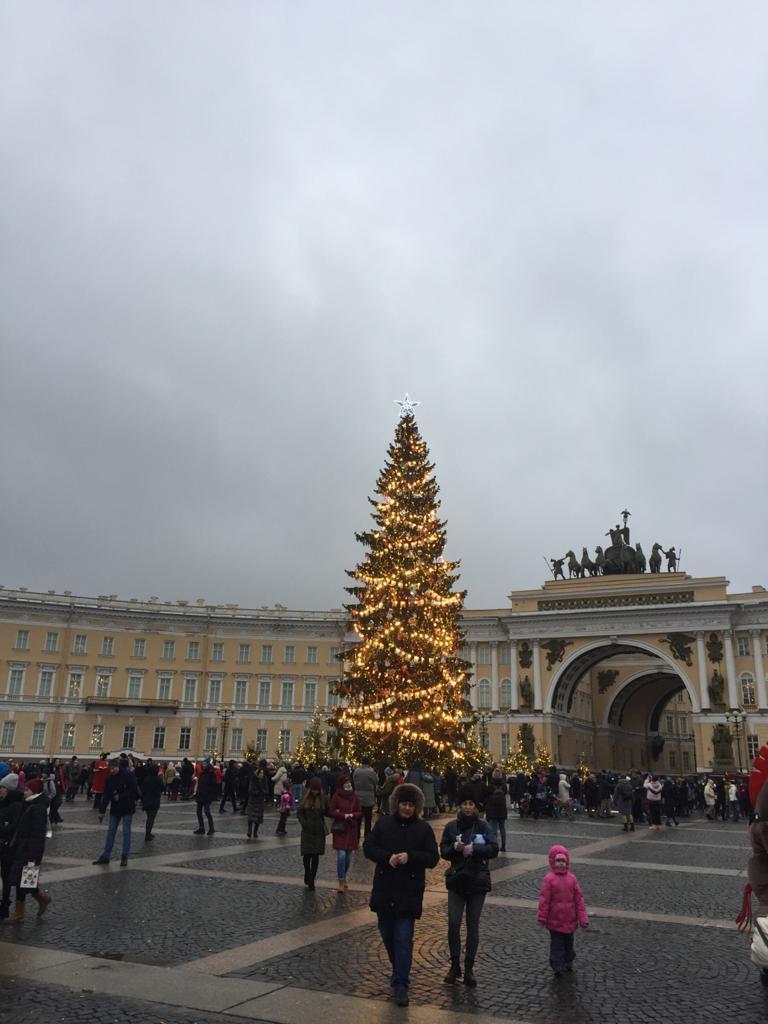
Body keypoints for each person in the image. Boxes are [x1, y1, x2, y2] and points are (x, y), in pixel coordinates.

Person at [363, 783, 439, 1007]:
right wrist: (387, 857)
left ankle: (401, 985)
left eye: (410, 805)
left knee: (403, 939)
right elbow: (368, 846)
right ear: (397, 804)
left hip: (409, 892)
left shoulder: (423, 829)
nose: (407, 808)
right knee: (388, 936)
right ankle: (399, 971)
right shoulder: (384, 824)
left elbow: (433, 858)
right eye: (404, 804)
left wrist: (411, 857)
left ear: (416, 807)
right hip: (385, 889)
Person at [439, 788, 498, 986]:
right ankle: (454, 964)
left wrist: (476, 849)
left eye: (470, 804)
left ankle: (469, 968)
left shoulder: (484, 826)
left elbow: (493, 849)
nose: (467, 807)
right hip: (457, 880)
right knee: (454, 922)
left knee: (473, 925)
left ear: (475, 806)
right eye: (464, 804)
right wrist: (453, 849)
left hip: (477, 880)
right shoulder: (451, 826)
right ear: (460, 806)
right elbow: (443, 851)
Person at [1, 778, 51, 923]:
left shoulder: (38, 808)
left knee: (23, 880)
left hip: (29, 851)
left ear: (34, 791)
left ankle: (19, 912)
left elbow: (37, 834)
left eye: (27, 789)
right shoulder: (29, 804)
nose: (24, 791)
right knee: (20, 880)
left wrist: (33, 856)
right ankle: (41, 899)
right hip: (21, 848)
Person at [537, 844, 589, 977]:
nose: (560, 864)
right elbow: (544, 901)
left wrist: (583, 918)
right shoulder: (549, 879)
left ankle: (568, 961)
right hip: (555, 921)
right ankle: (557, 966)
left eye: (563, 861)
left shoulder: (572, 879)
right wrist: (542, 917)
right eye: (558, 861)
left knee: (568, 945)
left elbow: (579, 900)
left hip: (570, 920)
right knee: (557, 946)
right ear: (552, 862)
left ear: (567, 862)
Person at [93, 758, 139, 866]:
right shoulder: (109, 778)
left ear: (118, 767)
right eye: (110, 769)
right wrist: (102, 811)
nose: (111, 771)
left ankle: (124, 856)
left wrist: (121, 796)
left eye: (113, 769)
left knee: (126, 833)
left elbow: (133, 790)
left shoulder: (129, 775)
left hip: (127, 808)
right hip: (115, 809)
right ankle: (106, 856)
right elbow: (106, 795)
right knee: (111, 832)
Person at [329, 773, 362, 890]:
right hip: (341, 829)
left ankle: (344, 876)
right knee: (342, 855)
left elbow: (359, 812)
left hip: (351, 829)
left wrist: (352, 815)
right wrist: (343, 815)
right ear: (341, 785)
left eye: (349, 782)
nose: (348, 784)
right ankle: (341, 880)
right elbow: (331, 811)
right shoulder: (336, 796)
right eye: (346, 783)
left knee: (348, 857)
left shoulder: (355, 796)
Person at [297, 777, 329, 889]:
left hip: (318, 831)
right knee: (306, 856)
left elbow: (328, 812)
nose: (315, 792)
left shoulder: (323, 798)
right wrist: (304, 823)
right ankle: (307, 872)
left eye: (317, 789)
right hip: (307, 831)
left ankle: (312, 880)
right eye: (313, 789)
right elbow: (299, 812)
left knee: (315, 856)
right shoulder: (305, 798)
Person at [0, 773, 24, 919]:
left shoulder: (16, 806)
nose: (0, 790)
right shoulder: (3, 801)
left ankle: (5, 908)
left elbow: (14, 827)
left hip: (9, 847)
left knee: (8, 877)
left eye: (2, 787)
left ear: (8, 789)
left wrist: (2, 827)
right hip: (2, 844)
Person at [353, 758, 379, 837]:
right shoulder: (371, 772)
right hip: (368, 798)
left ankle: (356, 836)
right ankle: (367, 836)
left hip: (357, 796)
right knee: (368, 819)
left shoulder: (356, 771)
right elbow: (376, 781)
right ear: (369, 763)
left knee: (358, 819)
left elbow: (353, 780)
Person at [139, 758, 164, 842]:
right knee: (151, 818)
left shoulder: (146, 779)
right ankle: (147, 834)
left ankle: (148, 833)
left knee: (149, 817)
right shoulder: (158, 779)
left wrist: (142, 801)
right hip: (154, 800)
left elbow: (142, 790)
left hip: (146, 800)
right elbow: (162, 788)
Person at [484, 772, 508, 852]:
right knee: (502, 828)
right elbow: (505, 793)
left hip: (492, 809)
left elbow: (486, 797)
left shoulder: (490, 786)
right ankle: (503, 845)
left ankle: (495, 845)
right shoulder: (504, 785)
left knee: (493, 829)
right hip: (502, 809)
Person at [193, 759, 217, 835]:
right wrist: (197, 793)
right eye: (202, 765)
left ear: (208, 765)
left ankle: (211, 828)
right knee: (198, 812)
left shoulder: (211, 774)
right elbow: (200, 784)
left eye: (205, 765)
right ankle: (201, 828)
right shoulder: (202, 773)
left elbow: (213, 785)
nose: (203, 766)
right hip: (200, 795)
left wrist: (209, 793)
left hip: (207, 796)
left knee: (207, 812)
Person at [246, 767, 269, 839]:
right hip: (253, 800)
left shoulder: (264, 780)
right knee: (250, 817)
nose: (262, 774)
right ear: (257, 774)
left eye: (262, 773)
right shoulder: (253, 780)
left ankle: (255, 832)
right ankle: (249, 831)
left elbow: (266, 790)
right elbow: (250, 790)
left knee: (258, 818)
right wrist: (257, 792)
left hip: (260, 801)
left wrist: (262, 792)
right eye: (260, 773)